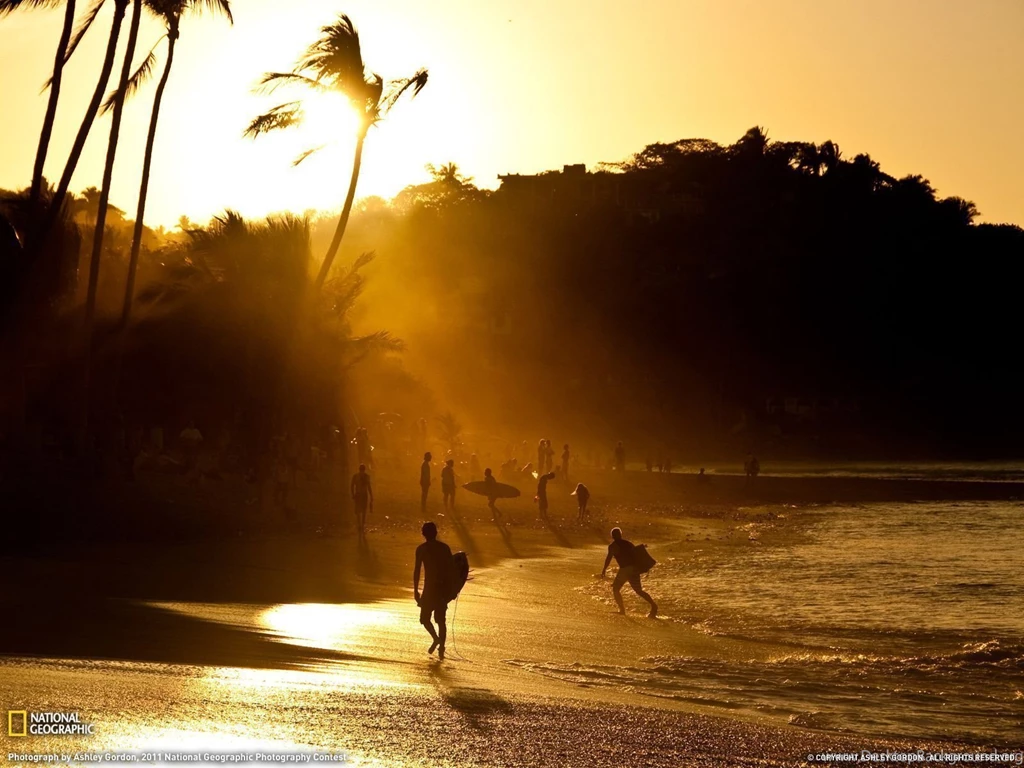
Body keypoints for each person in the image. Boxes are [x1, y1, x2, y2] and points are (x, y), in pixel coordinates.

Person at [413, 521, 453, 660]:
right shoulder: (444, 548)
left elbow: (417, 571)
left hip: (430, 589)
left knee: (425, 619)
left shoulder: (422, 549)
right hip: (442, 590)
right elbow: (452, 570)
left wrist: (415, 591)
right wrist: (452, 590)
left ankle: (437, 641)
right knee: (440, 621)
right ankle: (440, 646)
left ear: (423, 534)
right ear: (435, 533)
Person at [600, 527, 658, 618]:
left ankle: (622, 610)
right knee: (638, 590)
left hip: (625, 569)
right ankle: (654, 605)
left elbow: (608, 558)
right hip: (634, 569)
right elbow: (637, 555)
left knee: (616, 589)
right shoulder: (628, 543)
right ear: (620, 534)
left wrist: (604, 570)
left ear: (612, 536)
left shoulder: (612, 546)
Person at [350, 463, 373, 542]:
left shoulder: (356, 476)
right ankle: (361, 525)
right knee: (362, 511)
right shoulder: (366, 477)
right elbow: (369, 487)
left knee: (359, 511)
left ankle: (360, 525)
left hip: (359, 495)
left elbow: (352, 486)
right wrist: (371, 496)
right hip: (362, 495)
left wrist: (353, 494)